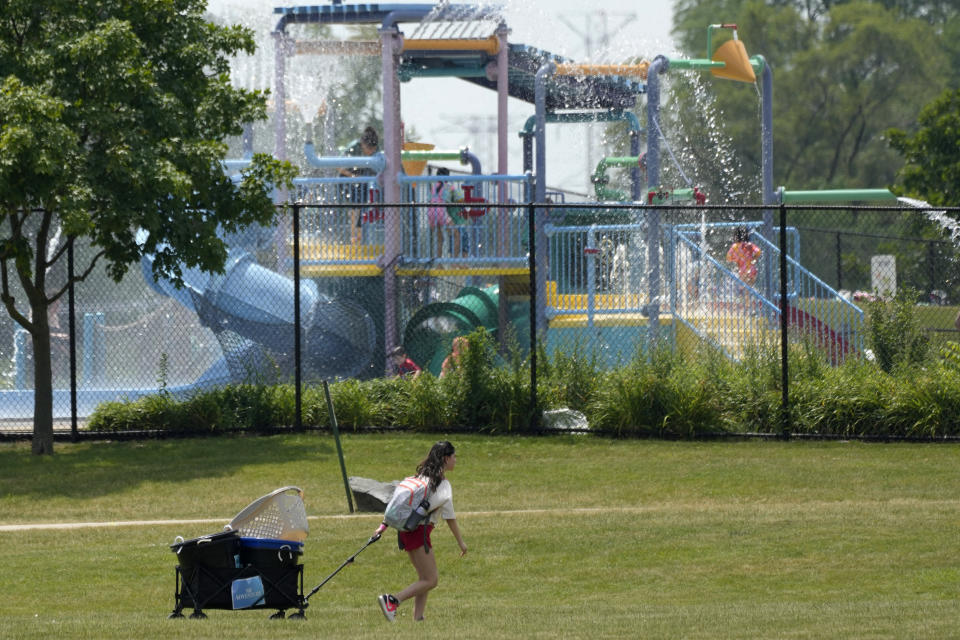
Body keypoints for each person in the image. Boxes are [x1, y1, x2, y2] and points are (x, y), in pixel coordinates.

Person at [377, 441, 468, 623]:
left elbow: (399, 505)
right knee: (432, 580)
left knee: (423, 578)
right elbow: (449, 517)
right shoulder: (441, 485)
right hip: (419, 533)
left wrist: (382, 526)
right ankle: (393, 601)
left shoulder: (419, 478)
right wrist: (461, 542)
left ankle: (418, 618)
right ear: (445, 458)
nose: (456, 460)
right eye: (454, 457)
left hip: (406, 531)